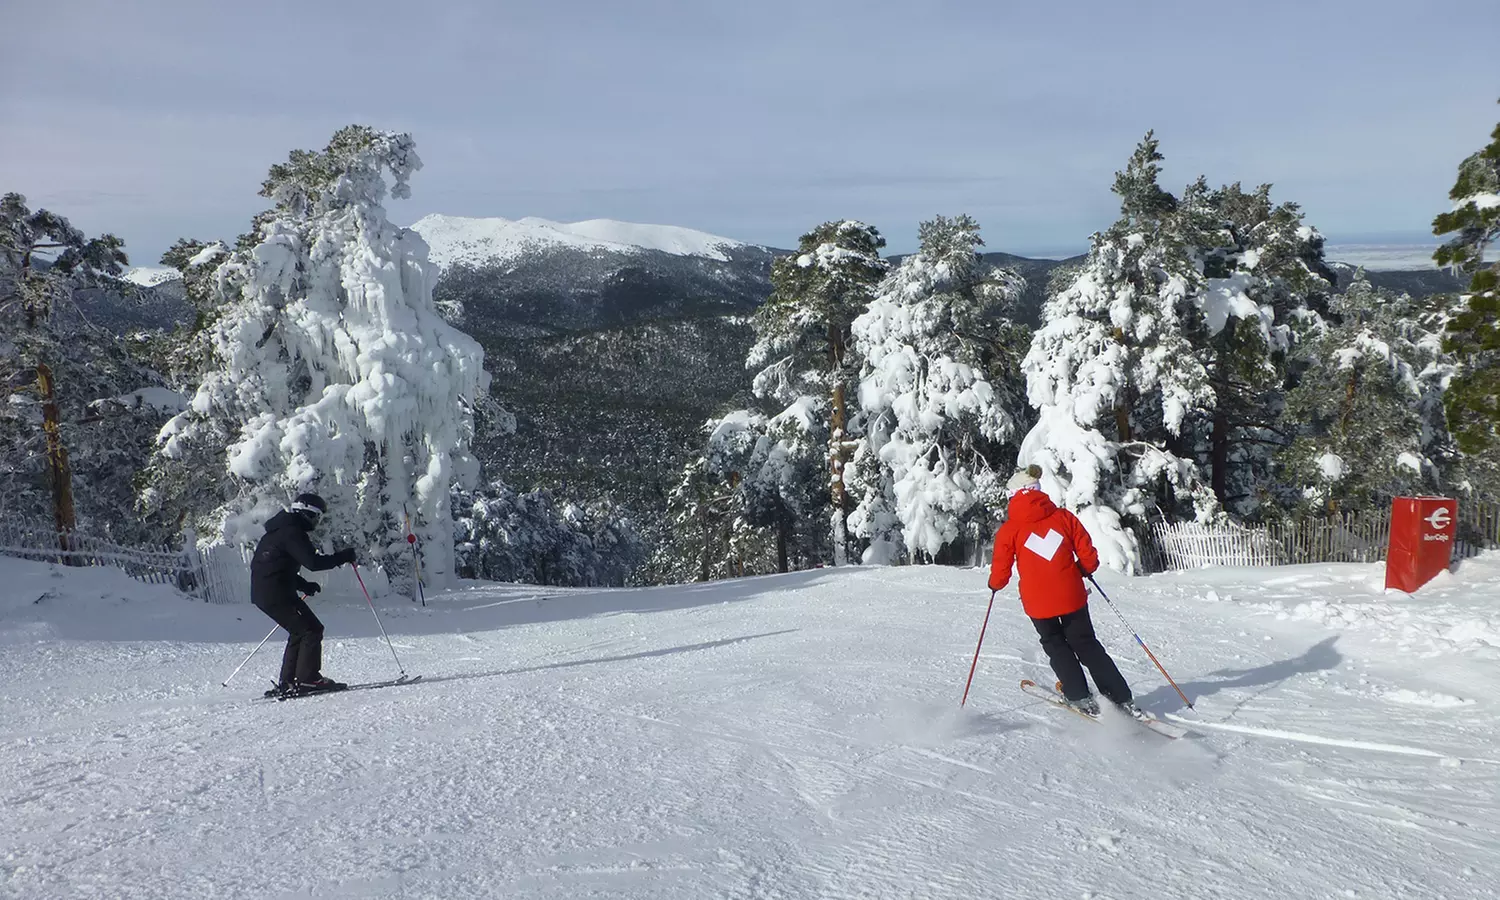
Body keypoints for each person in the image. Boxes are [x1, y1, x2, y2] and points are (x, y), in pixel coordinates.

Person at [987, 466, 1139, 718]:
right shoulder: (1063, 517)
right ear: (1038, 491)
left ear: (1012, 497)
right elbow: (1089, 556)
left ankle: (1078, 695)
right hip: (1072, 595)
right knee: (1086, 643)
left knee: (1055, 644)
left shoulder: (1009, 530)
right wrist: (1080, 570)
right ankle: (1120, 697)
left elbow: (1001, 570)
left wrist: (994, 585)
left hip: (1037, 602)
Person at [250, 493, 358, 697]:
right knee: (311, 630)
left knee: (301, 630)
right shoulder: (291, 532)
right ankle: (308, 679)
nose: (317, 522)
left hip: (269, 591)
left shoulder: (279, 531)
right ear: (307, 514)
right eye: (317, 517)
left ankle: (289, 681)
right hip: (276, 593)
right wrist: (343, 556)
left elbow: (275, 565)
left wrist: (303, 585)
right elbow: (313, 563)